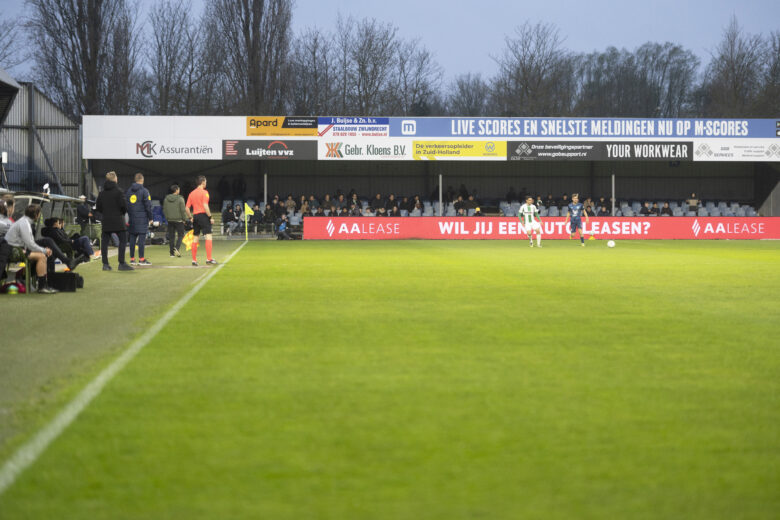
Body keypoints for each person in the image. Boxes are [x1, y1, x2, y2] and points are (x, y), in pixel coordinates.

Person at [4, 204, 58, 293]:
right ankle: (41, 286)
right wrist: (44, 250)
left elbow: (30, 243)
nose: (40, 215)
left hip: (16, 249)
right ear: (36, 215)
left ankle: (34, 282)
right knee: (42, 256)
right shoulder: (24, 223)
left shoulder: (25, 221)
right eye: (39, 213)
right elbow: (30, 244)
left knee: (42, 255)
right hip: (13, 251)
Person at [96, 171, 132, 271]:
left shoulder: (102, 193)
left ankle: (105, 264)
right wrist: (121, 213)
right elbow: (124, 206)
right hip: (118, 220)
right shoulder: (119, 191)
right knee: (123, 240)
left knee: (104, 243)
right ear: (115, 179)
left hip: (106, 220)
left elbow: (98, 207)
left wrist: (106, 213)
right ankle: (121, 263)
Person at [185, 175, 217, 266]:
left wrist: (190, 218)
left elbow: (186, 208)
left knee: (195, 238)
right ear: (202, 182)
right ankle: (209, 259)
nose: (206, 183)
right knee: (208, 236)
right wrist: (210, 217)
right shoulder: (205, 192)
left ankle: (194, 260)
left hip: (195, 217)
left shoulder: (191, 193)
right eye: (206, 181)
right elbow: (205, 205)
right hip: (203, 216)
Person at [126, 173, 153, 265]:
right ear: (142, 180)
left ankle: (132, 259)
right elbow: (148, 206)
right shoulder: (145, 191)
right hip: (142, 219)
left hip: (132, 219)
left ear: (135, 180)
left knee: (132, 239)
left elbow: (127, 205)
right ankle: (141, 259)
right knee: (141, 240)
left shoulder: (129, 191)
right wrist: (150, 218)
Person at [163, 184, 191, 257]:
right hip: (179, 220)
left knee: (171, 237)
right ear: (176, 190)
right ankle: (177, 248)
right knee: (181, 235)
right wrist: (184, 219)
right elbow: (183, 210)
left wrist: (167, 218)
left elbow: (164, 210)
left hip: (170, 220)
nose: (179, 190)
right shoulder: (180, 199)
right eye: (178, 189)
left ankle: (171, 253)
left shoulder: (166, 199)